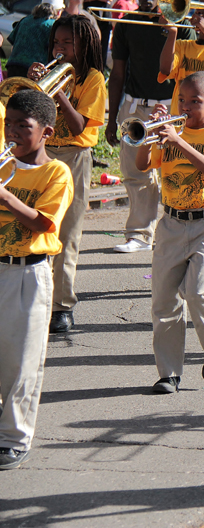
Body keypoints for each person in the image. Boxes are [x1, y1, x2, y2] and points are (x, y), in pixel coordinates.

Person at [134, 72, 204, 394]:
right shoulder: (170, 134)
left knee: (198, 291)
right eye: (182, 101)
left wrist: (179, 141)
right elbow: (141, 164)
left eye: (195, 101)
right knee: (163, 301)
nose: (187, 107)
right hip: (171, 225)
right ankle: (169, 373)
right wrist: (148, 135)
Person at [0, 90, 73, 470]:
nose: (11, 132)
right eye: (8, 123)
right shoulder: (3, 164)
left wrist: (6, 198)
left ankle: (14, 437)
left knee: (21, 361)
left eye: (22, 126)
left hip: (29, 270)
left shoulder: (56, 172)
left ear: (46, 131)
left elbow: (46, 223)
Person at [27, 14, 106, 334]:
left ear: (84, 45)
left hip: (74, 156)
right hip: (43, 155)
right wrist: (35, 87)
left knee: (67, 233)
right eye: (56, 43)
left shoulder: (93, 80)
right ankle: (36, 299)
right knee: (37, 228)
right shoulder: (51, 72)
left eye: (67, 44)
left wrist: (59, 91)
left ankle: (62, 305)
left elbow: (78, 127)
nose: (59, 48)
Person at [106, 0, 195, 254]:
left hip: (172, 106)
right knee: (136, 172)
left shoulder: (182, 25)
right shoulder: (127, 24)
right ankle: (140, 234)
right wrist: (111, 119)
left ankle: (177, 232)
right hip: (135, 106)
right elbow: (118, 73)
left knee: (175, 169)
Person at [5, 0, 62, 79]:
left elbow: (13, 44)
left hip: (13, 66)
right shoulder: (53, 25)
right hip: (34, 71)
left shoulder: (25, 20)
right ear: (59, 12)